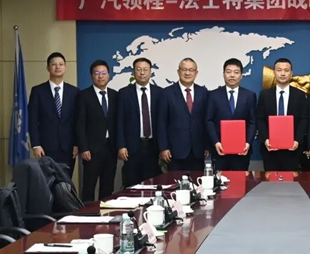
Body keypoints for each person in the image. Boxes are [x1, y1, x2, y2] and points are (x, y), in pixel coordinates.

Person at [27, 52, 79, 175]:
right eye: (54, 64)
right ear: (48, 68)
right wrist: (36, 145)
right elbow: (32, 120)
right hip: (45, 147)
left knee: (66, 181)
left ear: (65, 67)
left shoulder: (75, 92)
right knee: (48, 181)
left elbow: (78, 121)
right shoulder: (38, 91)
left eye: (61, 64)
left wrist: (77, 143)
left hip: (68, 147)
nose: (57, 67)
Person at [75, 60, 118, 201]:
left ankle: (106, 213)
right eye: (97, 73)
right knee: (89, 186)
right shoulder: (84, 95)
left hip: (111, 149)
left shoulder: (115, 95)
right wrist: (84, 148)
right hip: (91, 150)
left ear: (109, 75)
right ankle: (87, 213)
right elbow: (80, 124)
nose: (101, 76)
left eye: (104, 73)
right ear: (91, 76)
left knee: (108, 186)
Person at [116, 58, 163, 187]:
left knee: (152, 183)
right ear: (133, 72)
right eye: (138, 69)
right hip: (132, 147)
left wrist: (163, 146)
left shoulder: (160, 93)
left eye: (145, 69)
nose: (142, 73)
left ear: (150, 72)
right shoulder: (124, 93)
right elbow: (119, 121)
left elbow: (163, 121)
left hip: (153, 147)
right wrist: (121, 145)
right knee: (132, 183)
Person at [256, 58, 309, 171]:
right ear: (274, 73)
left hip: (292, 149)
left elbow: (303, 119)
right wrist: (266, 139)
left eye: (286, 70)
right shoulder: (265, 95)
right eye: (279, 70)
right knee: (271, 180)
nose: (283, 73)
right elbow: (260, 119)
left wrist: (297, 140)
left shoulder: (300, 95)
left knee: (290, 180)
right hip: (270, 149)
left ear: (291, 73)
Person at [158, 58, 210, 171]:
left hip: (198, 150)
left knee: (197, 181)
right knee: (175, 181)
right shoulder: (166, 93)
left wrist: (207, 146)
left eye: (191, 70)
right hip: (175, 151)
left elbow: (207, 121)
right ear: (178, 71)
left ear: (196, 73)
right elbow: (161, 123)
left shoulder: (203, 92)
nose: (187, 73)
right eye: (184, 69)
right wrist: (164, 147)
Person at [205, 58, 257, 171]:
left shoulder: (249, 95)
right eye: (228, 72)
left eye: (236, 72)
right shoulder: (213, 95)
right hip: (220, 149)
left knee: (240, 180)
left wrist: (248, 143)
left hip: (242, 150)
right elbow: (209, 121)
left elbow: (252, 122)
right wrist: (215, 142)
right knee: (220, 180)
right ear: (223, 74)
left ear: (241, 75)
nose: (232, 75)